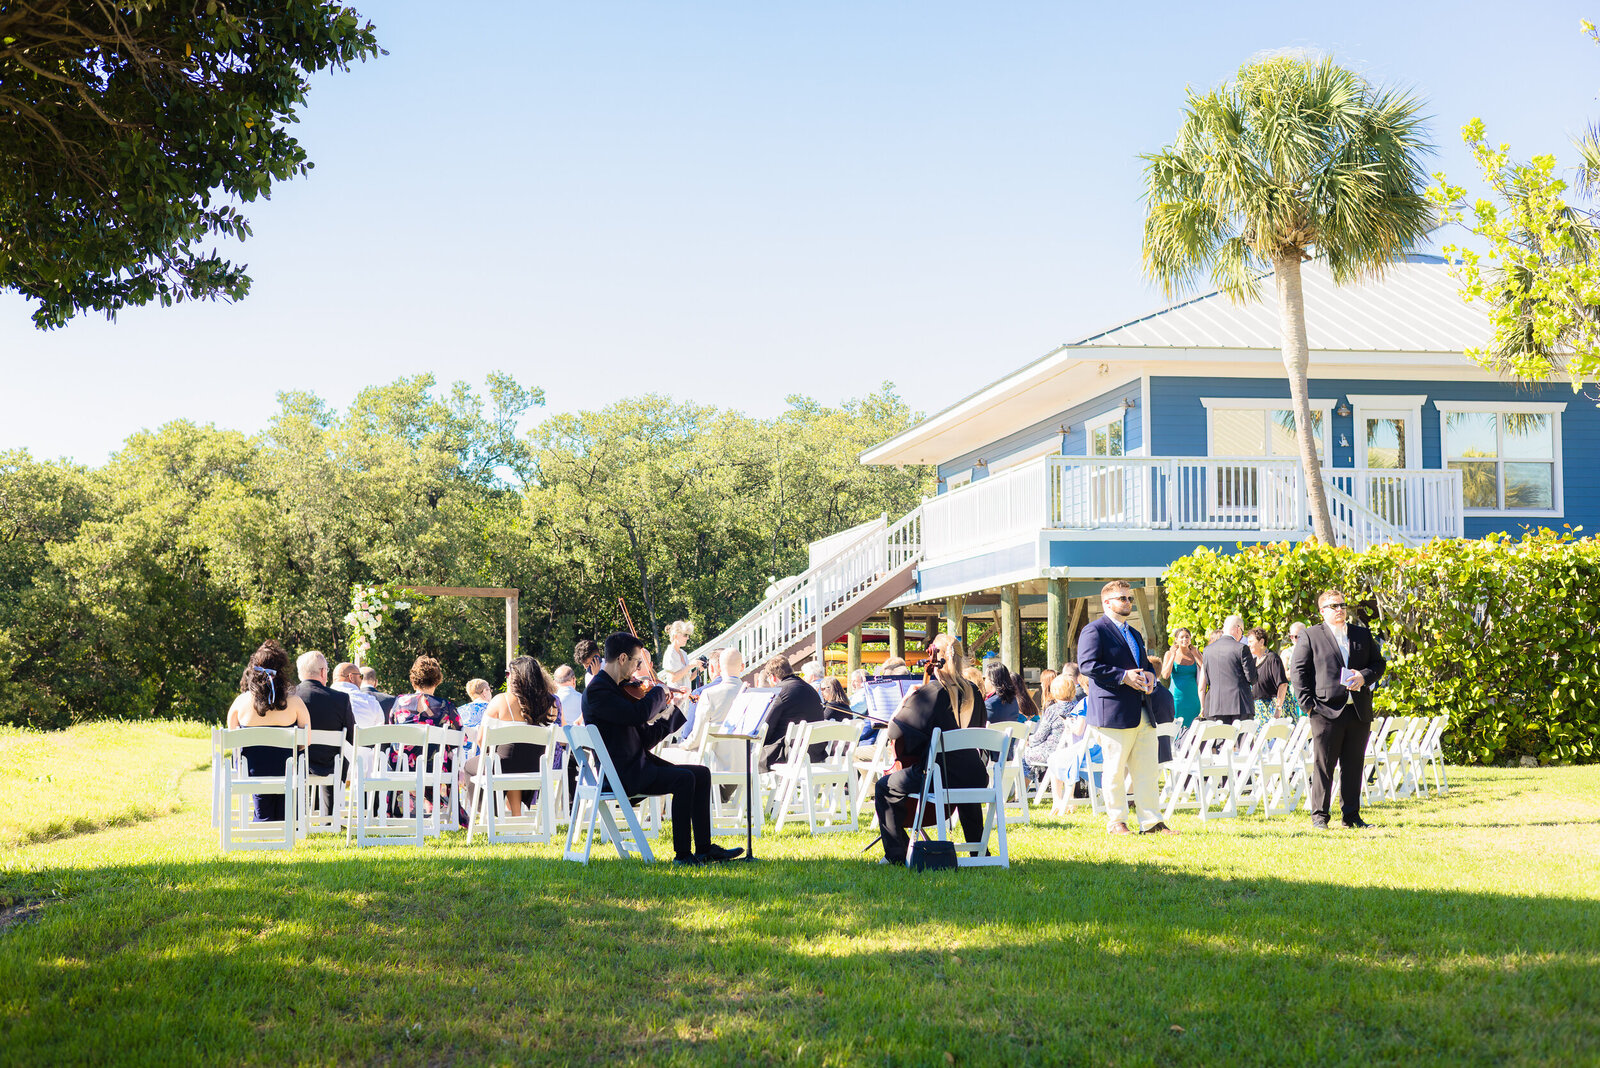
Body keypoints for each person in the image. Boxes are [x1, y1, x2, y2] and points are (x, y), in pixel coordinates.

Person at [581, 631, 741, 865]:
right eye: (637, 662)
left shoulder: (617, 689)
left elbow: (644, 738)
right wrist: (659, 691)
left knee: (701, 773)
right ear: (623, 658)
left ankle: (705, 849)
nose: (637, 670)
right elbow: (640, 713)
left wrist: (672, 710)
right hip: (622, 773)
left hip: (635, 764)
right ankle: (683, 855)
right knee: (684, 779)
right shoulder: (598, 691)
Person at [873, 632, 988, 865]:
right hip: (974, 775)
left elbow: (894, 732)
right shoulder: (974, 692)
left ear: (935, 657)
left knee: (884, 787)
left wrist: (906, 700)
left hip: (939, 776)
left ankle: (897, 853)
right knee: (962, 775)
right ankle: (979, 852)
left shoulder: (930, 693)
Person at [1077, 579, 1177, 836]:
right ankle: (1116, 822)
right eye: (1123, 598)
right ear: (1106, 602)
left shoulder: (1133, 633)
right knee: (1114, 770)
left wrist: (1151, 678)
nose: (1128, 602)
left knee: (1147, 770)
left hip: (1143, 709)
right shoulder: (1094, 630)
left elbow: (1144, 665)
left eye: (1129, 598)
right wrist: (1123, 676)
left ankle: (1152, 822)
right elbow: (1087, 665)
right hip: (1112, 711)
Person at [1291, 589, 1386, 830]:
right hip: (1325, 710)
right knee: (1324, 765)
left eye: (1342, 605)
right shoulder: (1311, 636)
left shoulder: (1361, 634)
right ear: (1322, 611)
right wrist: (1309, 706)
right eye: (1334, 606)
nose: (1340, 609)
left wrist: (1364, 676)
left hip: (1358, 710)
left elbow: (1379, 663)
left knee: (1354, 765)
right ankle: (1320, 817)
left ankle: (1351, 817)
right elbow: (1298, 672)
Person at [226, 640, 310, 821]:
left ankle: (263, 820)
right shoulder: (295, 702)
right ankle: (283, 820)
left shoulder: (240, 702)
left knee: (264, 809)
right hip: (287, 771)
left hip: (254, 773)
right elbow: (305, 742)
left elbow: (232, 741)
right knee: (282, 811)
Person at [471, 657, 558, 818]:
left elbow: (481, 740)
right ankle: (516, 815)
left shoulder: (500, 700)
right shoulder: (550, 704)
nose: (506, 677)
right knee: (514, 759)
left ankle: (485, 812)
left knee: (471, 766)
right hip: (536, 766)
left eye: (507, 673)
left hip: (504, 767)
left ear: (515, 676)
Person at [388, 657, 461, 807]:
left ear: (414, 679)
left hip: (403, 765)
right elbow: (460, 739)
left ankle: (406, 806)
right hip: (434, 767)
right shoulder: (445, 706)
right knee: (447, 753)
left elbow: (391, 731)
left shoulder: (399, 703)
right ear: (437, 680)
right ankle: (435, 804)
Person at [292, 650, 355, 816]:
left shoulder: (290, 697)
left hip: (297, 763)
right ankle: (328, 816)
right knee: (340, 760)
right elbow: (353, 736)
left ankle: (299, 814)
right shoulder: (341, 699)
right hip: (330, 764)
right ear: (322, 672)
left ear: (300, 673)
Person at [757, 654, 827, 771]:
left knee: (749, 755)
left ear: (773, 677)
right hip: (814, 753)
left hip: (789, 755)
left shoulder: (780, 691)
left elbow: (766, 728)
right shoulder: (810, 689)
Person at [1199, 615, 1256, 725]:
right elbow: (1251, 678)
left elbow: (1208, 679)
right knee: (1242, 741)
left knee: (1220, 741)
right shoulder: (1242, 648)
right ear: (1238, 629)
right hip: (1240, 705)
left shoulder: (1207, 650)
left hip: (1215, 706)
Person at [1160, 628, 1202, 728]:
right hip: (1176, 698)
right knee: (1176, 727)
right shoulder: (1169, 654)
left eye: (1187, 637)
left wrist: (1196, 655)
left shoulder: (1195, 652)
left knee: (1193, 727)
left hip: (1193, 697)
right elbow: (1165, 675)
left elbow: (1206, 670)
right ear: (1176, 640)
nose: (1185, 639)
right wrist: (1172, 656)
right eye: (1181, 637)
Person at [1247, 627, 1290, 721]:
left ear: (1261, 642)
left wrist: (1278, 708)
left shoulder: (1272, 659)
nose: (1248, 645)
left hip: (1273, 708)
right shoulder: (1253, 662)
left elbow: (1283, 684)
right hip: (1259, 710)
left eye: (1251, 641)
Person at [457, 678, 493, 764]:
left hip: (463, 760)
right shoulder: (492, 709)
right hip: (487, 759)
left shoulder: (459, 710)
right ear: (485, 692)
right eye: (490, 690)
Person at [659, 620, 701, 691]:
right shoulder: (670, 653)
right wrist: (690, 666)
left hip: (686, 696)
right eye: (685, 635)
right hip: (676, 696)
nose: (688, 638)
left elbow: (688, 678)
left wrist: (699, 669)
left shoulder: (683, 653)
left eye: (688, 635)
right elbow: (673, 678)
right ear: (676, 636)